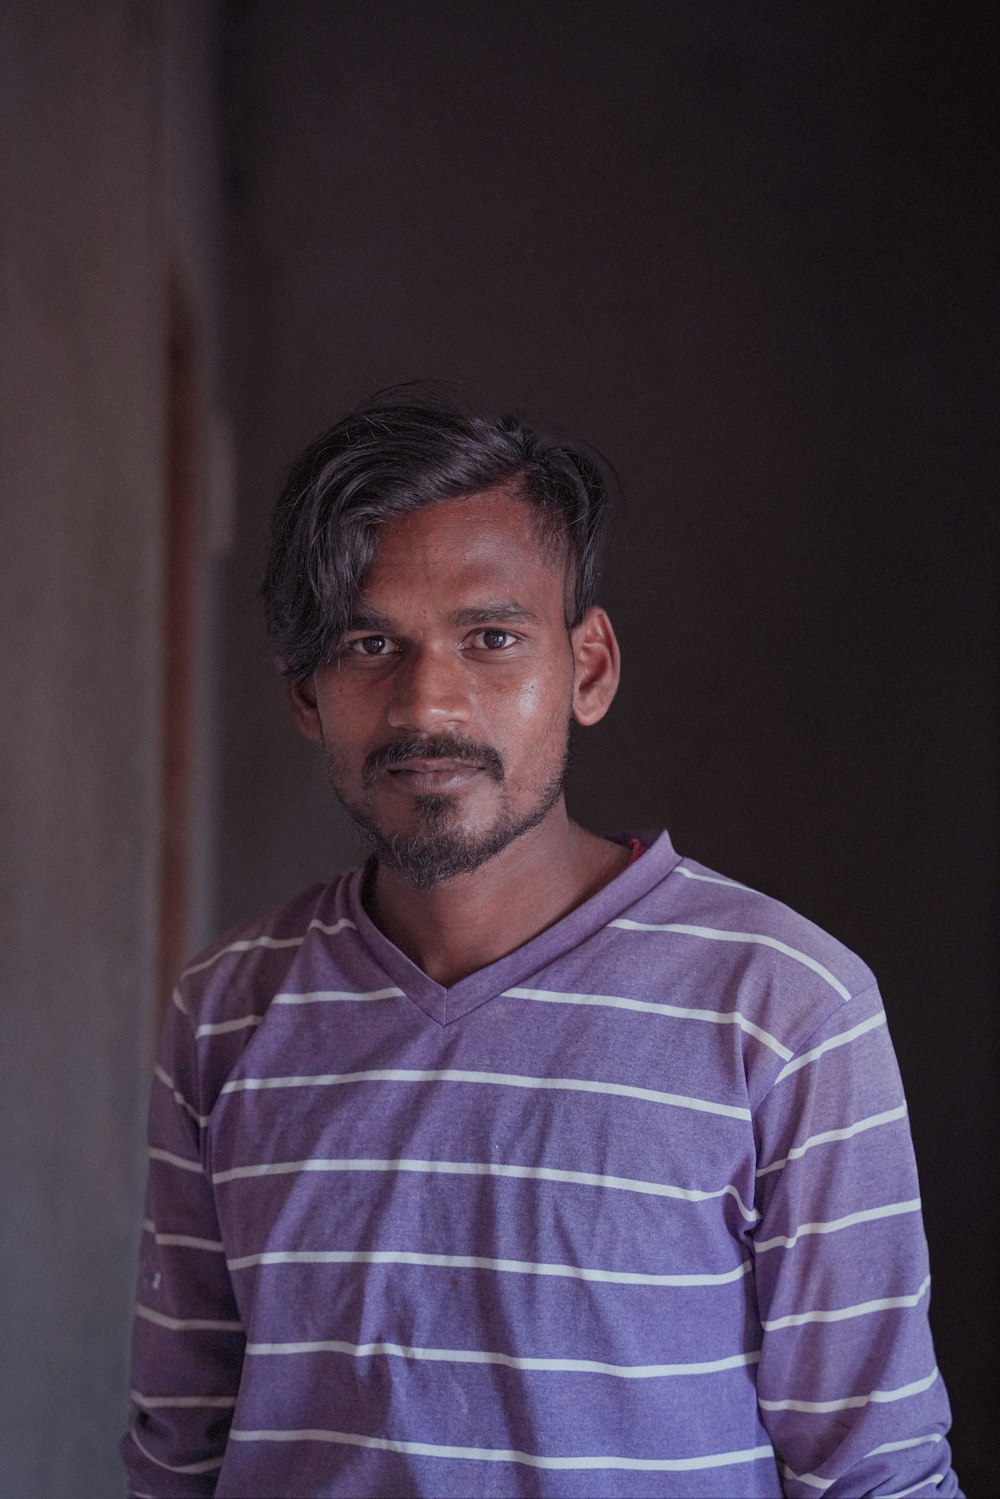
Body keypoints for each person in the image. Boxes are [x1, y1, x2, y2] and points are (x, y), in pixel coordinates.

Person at [122, 397, 961, 1498]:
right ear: (305, 694)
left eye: (492, 637)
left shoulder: (785, 1007)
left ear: (590, 667)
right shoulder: (228, 1009)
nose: (430, 700)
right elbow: (175, 1445)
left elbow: (876, 1470)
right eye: (370, 644)